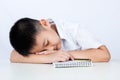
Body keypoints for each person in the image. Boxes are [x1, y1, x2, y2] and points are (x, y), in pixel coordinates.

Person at [9, 18, 110, 64]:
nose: (50, 49)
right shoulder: (40, 39)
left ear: (45, 23)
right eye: (42, 50)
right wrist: (48, 58)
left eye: (46, 43)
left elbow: (104, 54)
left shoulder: (74, 29)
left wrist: (62, 54)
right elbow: (13, 55)